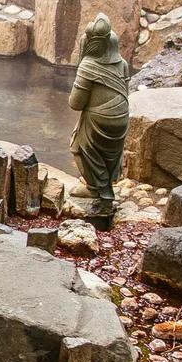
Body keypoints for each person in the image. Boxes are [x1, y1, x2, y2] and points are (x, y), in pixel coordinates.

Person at [66, 13, 131, 222]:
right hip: (121, 117)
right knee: (110, 154)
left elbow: (75, 104)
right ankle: (100, 187)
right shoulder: (122, 64)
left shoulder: (88, 66)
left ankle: (100, 193)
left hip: (99, 119)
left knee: (79, 147)